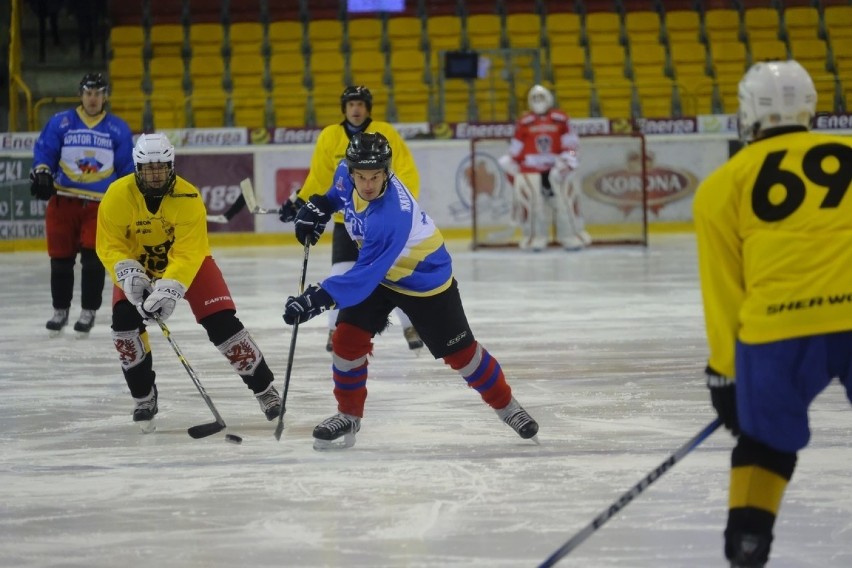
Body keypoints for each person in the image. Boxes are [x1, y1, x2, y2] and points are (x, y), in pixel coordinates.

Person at [283, 131, 540, 450]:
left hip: (424, 279)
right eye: (360, 176)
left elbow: (361, 277)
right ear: (350, 171)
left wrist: (314, 300)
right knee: (347, 337)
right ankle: (348, 414)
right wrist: (319, 206)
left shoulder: (391, 216)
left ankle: (508, 408)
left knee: (462, 356)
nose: (367, 185)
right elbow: (337, 196)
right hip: (382, 273)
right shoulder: (345, 176)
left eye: (375, 176)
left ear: (387, 171)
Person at [693, 60, 852, 568]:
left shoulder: (723, 183)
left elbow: (724, 292)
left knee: (764, 446)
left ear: (747, 113)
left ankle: (748, 546)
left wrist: (725, 375)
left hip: (778, 329)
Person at [96, 133, 282, 429]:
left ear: (171, 165)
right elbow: (109, 244)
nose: (155, 175)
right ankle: (143, 397)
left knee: (223, 323)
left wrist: (171, 287)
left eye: (161, 167)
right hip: (138, 264)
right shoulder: (117, 195)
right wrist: (127, 271)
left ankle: (265, 390)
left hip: (189, 262)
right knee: (123, 327)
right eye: (148, 168)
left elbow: (189, 250)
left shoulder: (189, 196)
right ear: (137, 168)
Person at [278, 85, 424, 353]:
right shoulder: (330, 136)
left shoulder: (385, 132)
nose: (356, 109)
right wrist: (301, 202)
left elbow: (405, 171)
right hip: (346, 223)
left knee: (393, 272)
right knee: (341, 273)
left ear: (368, 108)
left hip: (380, 220)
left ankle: (410, 325)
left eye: (360, 104)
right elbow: (320, 177)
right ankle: (335, 331)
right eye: (351, 104)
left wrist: (401, 208)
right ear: (344, 108)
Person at [31, 73, 134, 337]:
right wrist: (42, 171)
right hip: (63, 200)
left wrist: (128, 198)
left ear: (105, 96)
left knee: (92, 261)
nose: (93, 98)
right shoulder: (60, 122)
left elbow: (126, 168)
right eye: (88, 93)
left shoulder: (118, 128)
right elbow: (45, 151)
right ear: (81, 94)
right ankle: (60, 310)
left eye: (98, 93)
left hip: (100, 206)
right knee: (61, 261)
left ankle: (88, 310)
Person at [498, 84, 591, 251]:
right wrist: (511, 163)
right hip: (531, 171)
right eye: (534, 98)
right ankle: (535, 239)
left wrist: (567, 162)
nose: (538, 101)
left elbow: (572, 144)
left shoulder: (561, 119)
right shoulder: (524, 121)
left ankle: (571, 237)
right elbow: (516, 147)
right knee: (533, 207)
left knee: (566, 204)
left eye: (541, 97)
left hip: (556, 170)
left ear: (549, 99)